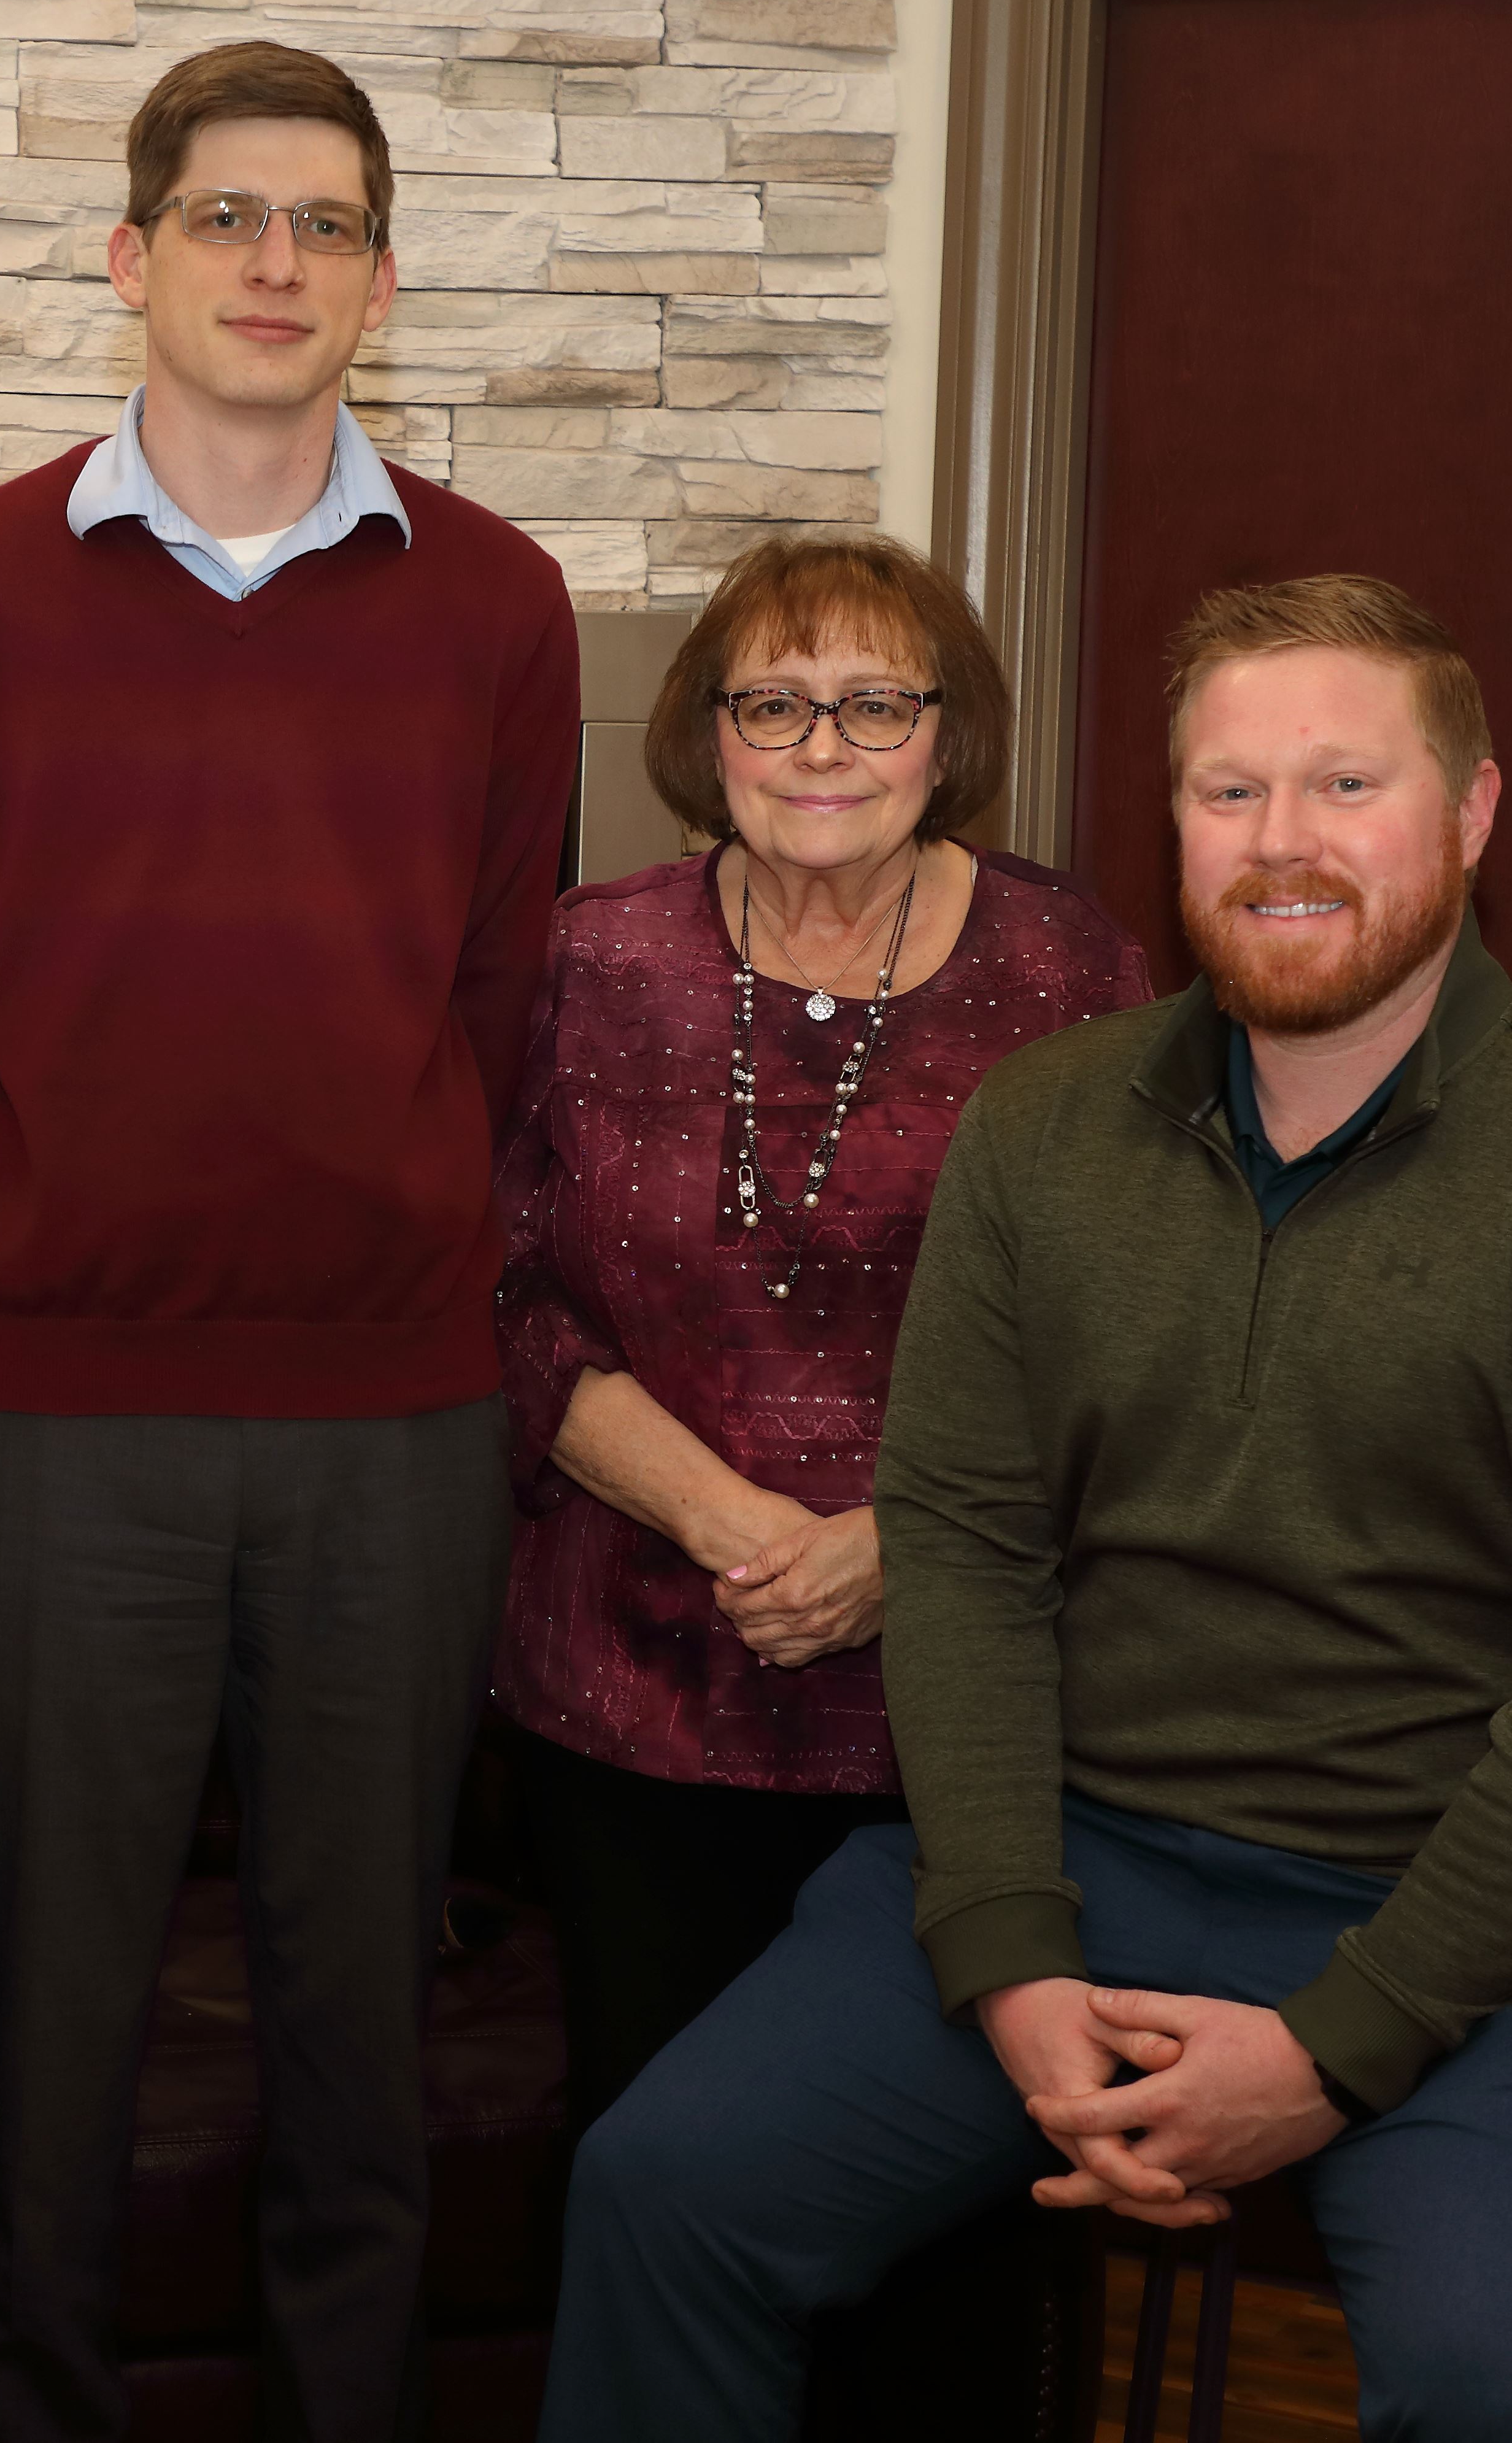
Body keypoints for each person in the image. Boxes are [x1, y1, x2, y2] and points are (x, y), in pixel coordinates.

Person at [545, 577, 1512, 2441]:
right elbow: (964, 1553)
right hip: (1091, 1853)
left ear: (1468, 815)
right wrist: (1006, 1946)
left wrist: (1336, 2048)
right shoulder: (1045, 1125)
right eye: (1227, 794)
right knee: (663, 2192)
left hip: (1510, 1925)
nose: (1279, 845)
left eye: (1341, 787)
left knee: (1506, 2393)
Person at [0, 40, 581, 2442]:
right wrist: (32, 1254)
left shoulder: (498, 603)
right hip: (61, 1423)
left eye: (327, 225)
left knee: (353, 2002)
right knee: (52, 2012)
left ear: (379, 277)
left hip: (394, 1425)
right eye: (230, 219)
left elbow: (497, 988)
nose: (278, 265)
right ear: (132, 255)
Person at [492, 533, 1147, 2143]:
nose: (821, 751)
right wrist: (724, 1518)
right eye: (771, 707)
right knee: (649, 2169)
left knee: (925, 2217)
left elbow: (1138, 1334)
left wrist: (898, 1545)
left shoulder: (1074, 975)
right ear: (705, 736)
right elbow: (503, 1297)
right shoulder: (583, 960)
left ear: (950, 731)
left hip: (963, 1715)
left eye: (872, 705)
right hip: (628, 1698)